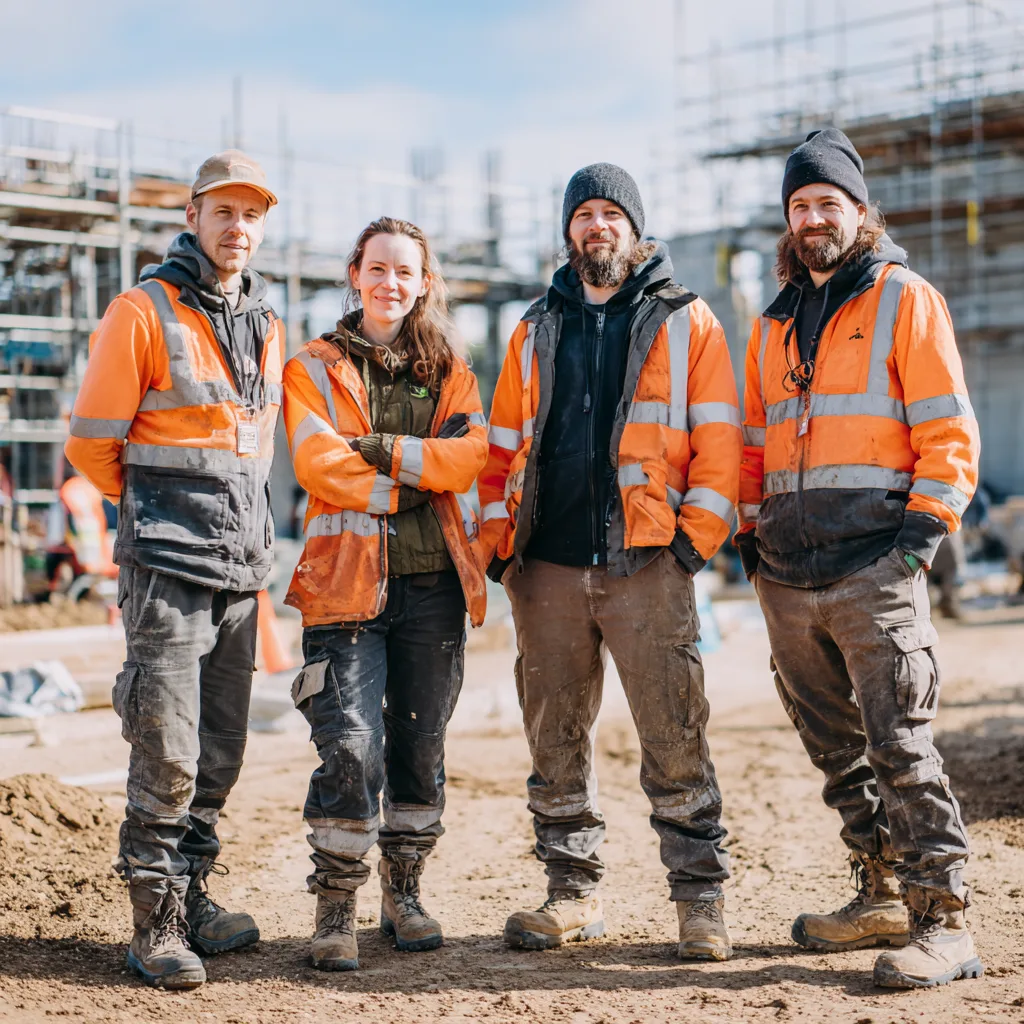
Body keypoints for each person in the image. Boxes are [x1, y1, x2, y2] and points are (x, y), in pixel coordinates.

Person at [736, 128, 982, 989]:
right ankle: (878, 888)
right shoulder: (772, 323)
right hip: (788, 573)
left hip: (875, 565)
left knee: (901, 747)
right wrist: (747, 535)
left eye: (827, 203)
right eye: (799, 206)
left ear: (859, 211)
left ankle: (944, 920)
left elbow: (949, 431)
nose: (812, 219)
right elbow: (756, 442)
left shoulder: (903, 299)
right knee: (835, 749)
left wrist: (915, 547)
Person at [478, 164, 742, 960]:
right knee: (553, 738)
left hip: (647, 563)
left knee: (674, 734)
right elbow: (500, 448)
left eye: (611, 214)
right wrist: (502, 551)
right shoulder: (534, 326)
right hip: (546, 568)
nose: (598, 226)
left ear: (635, 228)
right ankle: (571, 894)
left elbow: (721, 442)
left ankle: (700, 903)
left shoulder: (687, 320)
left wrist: (691, 544)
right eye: (584, 214)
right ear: (569, 232)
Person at [65, 151, 284, 989]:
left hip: (238, 568)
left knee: (221, 750)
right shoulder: (142, 312)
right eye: (223, 211)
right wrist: (157, 516)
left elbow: (251, 449)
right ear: (193, 216)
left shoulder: (266, 321)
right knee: (167, 747)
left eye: (252, 215)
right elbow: (91, 442)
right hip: (167, 567)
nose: (238, 228)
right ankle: (152, 922)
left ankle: (192, 896)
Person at [283, 217, 488, 971]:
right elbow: (318, 463)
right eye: (378, 268)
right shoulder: (313, 365)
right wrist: (413, 479)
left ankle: (404, 890)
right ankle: (335, 904)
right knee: (348, 747)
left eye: (406, 271)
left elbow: (469, 459)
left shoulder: (451, 370)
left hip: (432, 587)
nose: (390, 282)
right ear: (355, 272)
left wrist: (385, 451)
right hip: (343, 587)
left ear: (424, 282)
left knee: (419, 746)